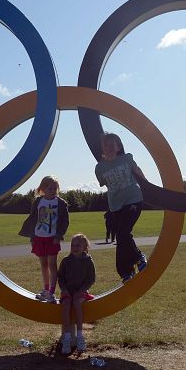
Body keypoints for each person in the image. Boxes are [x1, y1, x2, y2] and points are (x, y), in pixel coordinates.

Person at [96, 132, 147, 283]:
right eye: (106, 145)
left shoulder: (126, 158)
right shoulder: (99, 168)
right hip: (116, 206)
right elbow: (104, 183)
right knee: (121, 236)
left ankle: (138, 257)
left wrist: (148, 188)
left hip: (133, 200)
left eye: (112, 144)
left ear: (118, 147)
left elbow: (138, 172)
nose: (109, 147)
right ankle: (126, 272)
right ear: (102, 149)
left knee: (123, 233)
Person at [18, 176, 70, 303]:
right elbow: (33, 219)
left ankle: (51, 292)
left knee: (52, 264)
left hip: (53, 239)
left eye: (55, 188)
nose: (52, 191)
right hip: (39, 237)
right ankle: (46, 290)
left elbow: (65, 222)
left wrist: (58, 236)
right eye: (49, 188)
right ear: (42, 189)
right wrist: (32, 237)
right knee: (43, 264)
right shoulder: (38, 201)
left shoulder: (61, 203)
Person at [58, 234, 96, 354]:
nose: (74, 248)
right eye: (72, 245)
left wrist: (81, 291)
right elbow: (60, 278)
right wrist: (64, 290)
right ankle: (67, 338)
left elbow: (91, 279)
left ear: (85, 247)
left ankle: (80, 336)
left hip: (81, 292)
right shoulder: (66, 261)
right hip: (67, 292)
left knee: (77, 303)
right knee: (66, 305)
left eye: (78, 245)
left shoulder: (88, 261)